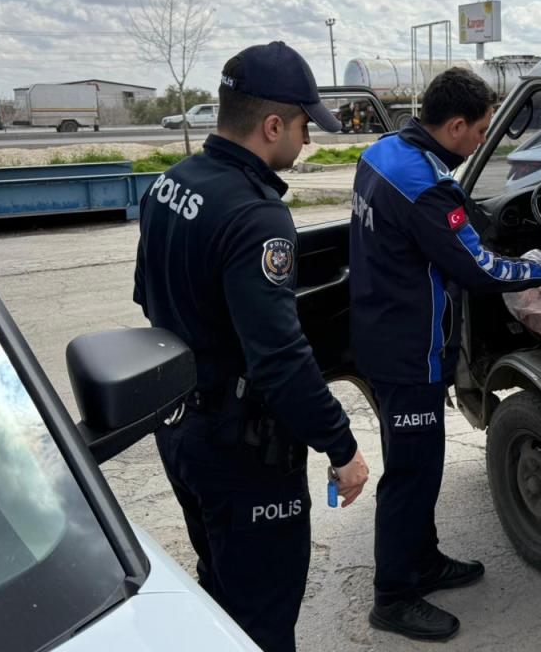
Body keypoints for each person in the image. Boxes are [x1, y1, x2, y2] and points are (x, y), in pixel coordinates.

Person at [132, 41, 370, 652]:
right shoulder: (257, 216)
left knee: (221, 585)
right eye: (304, 126)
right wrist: (341, 446)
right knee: (262, 616)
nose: (308, 141)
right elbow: (280, 358)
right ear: (271, 126)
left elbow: (147, 297)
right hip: (242, 451)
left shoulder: (170, 184)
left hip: (180, 429)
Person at [349, 67, 541, 641]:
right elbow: (476, 267)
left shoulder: (381, 153)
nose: (484, 140)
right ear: (456, 125)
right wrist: (540, 273)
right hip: (409, 350)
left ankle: (423, 559)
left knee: (419, 464)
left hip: (379, 329)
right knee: (411, 474)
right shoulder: (428, 185)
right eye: (482, 130)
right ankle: (393, 596)